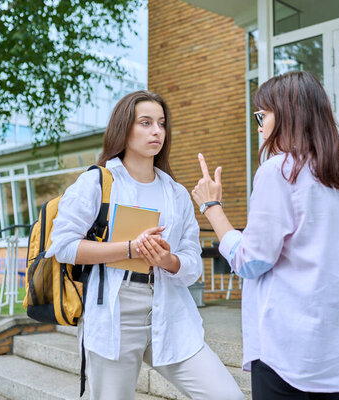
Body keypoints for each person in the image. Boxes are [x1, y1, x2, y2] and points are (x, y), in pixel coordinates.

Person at [46, 90, 244, 400]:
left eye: (162, 124)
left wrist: (168, 261)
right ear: (124, 129)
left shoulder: (176, 193)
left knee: (225, 395)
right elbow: (63, 246)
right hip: (115, 310)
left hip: (169, 306)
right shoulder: (97, 182)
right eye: (146, 122)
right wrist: (129, 249)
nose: (157, 131)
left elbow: (191, 261)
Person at [191, 71, 339, 400]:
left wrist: (211, 206)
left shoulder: (279, 170)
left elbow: (252, 261)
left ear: (288, 114)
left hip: (286, 345)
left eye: (263, 114)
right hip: (334, 345)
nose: (258, 124)